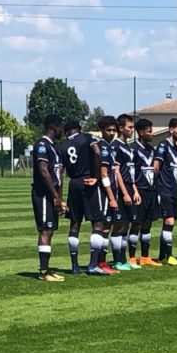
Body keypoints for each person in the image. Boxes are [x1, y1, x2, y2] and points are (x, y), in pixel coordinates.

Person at [60, 119, 115, 275]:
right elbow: (97, 152)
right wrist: (96, 176)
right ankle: (92, 265)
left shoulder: (62, 146)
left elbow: (60, 172)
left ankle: (75, 266)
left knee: (74, 224)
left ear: (66, 132)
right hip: (88, 183)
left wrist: (60, 197)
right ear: (79, 128)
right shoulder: (87, 137)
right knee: (97, 223)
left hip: (73, 184)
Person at [31, 114, 65, 282]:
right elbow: (44, 171)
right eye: (60, 127)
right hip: (43, 194)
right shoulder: (42, 145)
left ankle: (47, 269)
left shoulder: (53, 147)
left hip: (51, 194)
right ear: (53, 126)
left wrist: (59, 198)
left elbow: (58, 173)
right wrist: (55, 196)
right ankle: (43, 271)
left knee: (50, 230)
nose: (61, 130)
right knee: (45, 229)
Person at [94, 116, 127, 274]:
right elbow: (104, 174)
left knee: (108, 227)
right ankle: (100, 262)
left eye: (114, 130)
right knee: (104, 228)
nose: (112, 133)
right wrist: (112, 198)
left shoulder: (109, 147)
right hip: (105, 194)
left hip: (112, 191)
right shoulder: (103, 148)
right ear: (102, 130)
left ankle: (102, 262)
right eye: (108, 130)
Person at [152, 118, 177, 265]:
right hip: (164, 189)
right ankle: (170, 255)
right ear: (171, 130)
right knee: (169, 221)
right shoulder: (163, 146)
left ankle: (162, 255)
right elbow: (156, 167)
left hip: (174, 190)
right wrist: (157, 186)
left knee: (170, 222)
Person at [111, 114, 142, 270]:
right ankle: (117, 260)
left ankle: (124, 259)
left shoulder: (127, 146)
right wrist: (124, 193)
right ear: (121, 128)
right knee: (119, 225)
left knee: (126, 225)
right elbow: (117, 172)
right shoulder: (115, 146)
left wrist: (135, 190)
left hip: (130, 187)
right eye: (129, 127)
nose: (132, 130)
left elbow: (130, 172)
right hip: (121, 189)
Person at [130, 118, 162, 266]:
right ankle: (131, 257)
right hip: (139, 191)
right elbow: (130, 173)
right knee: (136, 224)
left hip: (151, 191)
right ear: (141, 132)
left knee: (148, 224)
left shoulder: (151, 150)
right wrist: (134, 190)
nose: (152, 134)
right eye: (149, 131)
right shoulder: (133, 149)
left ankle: (145, 257)